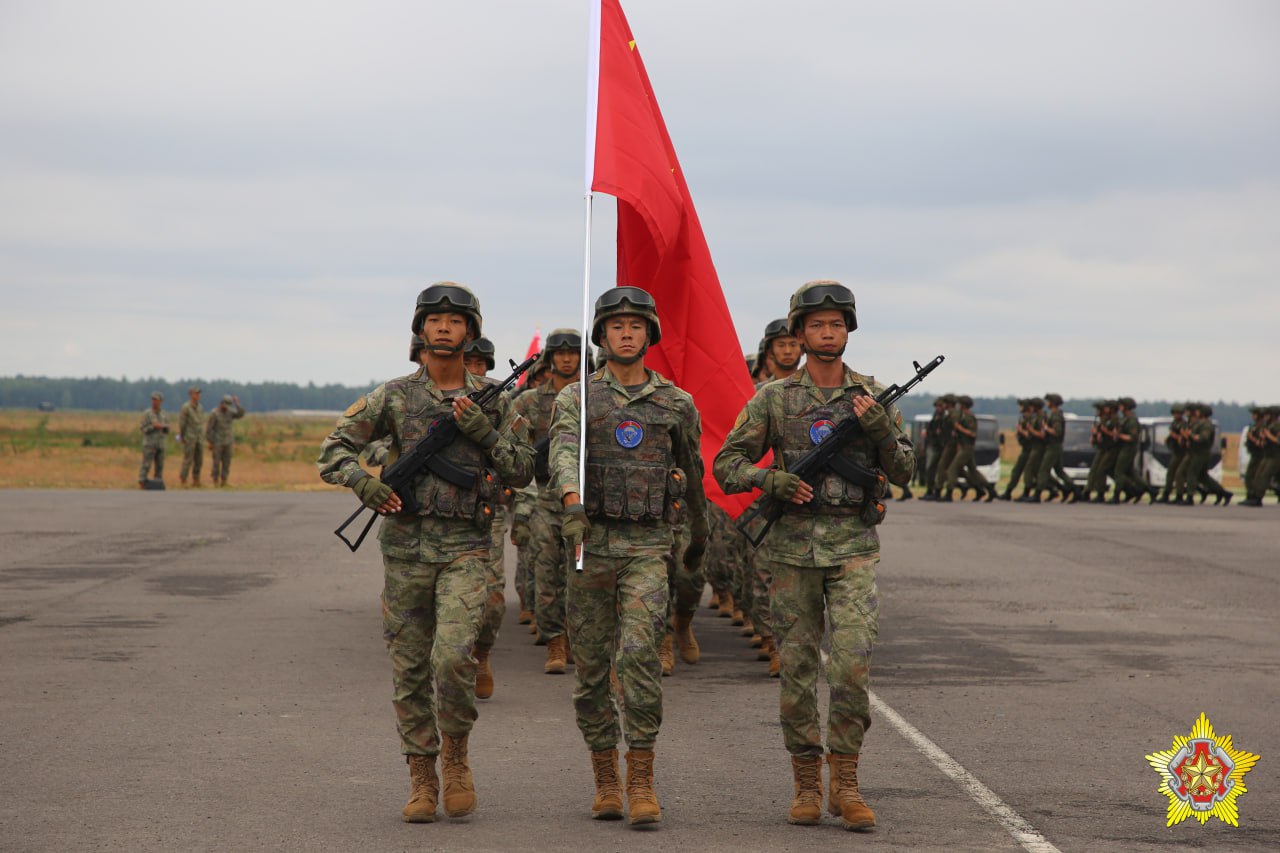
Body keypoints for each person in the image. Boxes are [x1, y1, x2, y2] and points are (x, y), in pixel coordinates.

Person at [316, 282, 533, 824]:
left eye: (454, 321)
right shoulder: (392, 397)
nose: (443, 327)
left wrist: (485, 434)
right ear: (420, 330)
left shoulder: (497, 399)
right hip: (407, 550)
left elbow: (525, 469)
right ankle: (421, 776)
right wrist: (363, 484)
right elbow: (333, 450)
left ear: (470, 333)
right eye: (434, 320)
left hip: (466, 547)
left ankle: (456, 758)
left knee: (454, 657)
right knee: (410, 667)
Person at [714, 280, 914, 831]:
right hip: (791, 554)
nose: (828, 333)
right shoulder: (774, 399)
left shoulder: (872, 397)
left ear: (849, 330)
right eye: (817, 325)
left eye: (837, 324)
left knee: (851, 666)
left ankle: (846, 782)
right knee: (798, 671)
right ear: (799, 334)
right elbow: (726, 466)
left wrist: (877, 427)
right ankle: (806, 781)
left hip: (852, 549)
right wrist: (771, 480)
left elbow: (904, 472)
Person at [549, 287, 708, 826]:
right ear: (601, 335)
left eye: (635, 325)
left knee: (639, 654)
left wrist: (699, 538)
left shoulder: (675, 404)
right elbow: (563, 451)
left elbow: (694, 474)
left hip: (646, 546)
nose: (625, 333)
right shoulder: (578, 398)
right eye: (615, 325)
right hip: (589, 545)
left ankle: (641, 776)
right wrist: (571, 501)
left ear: (649, 334)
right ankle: (605, 779)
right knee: (591, 670)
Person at [512, 329, 588, 675]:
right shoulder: (528, 402)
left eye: (573, 352)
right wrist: (522, 507)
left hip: (587, 501)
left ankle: (577, 638)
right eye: (560, 353)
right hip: (545, 497)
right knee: (546, 574)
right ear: (550, 358)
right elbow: (514, 455)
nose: (567, 358)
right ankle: (555, 640)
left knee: (583, 576)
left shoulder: (594, 398)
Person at [462, 336, 510, 700]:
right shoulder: (419, 395)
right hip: (434, 516)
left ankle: (482, 654)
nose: (475, 369)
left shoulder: (500, 401)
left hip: (486, 511)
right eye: (469, 362)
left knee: (492, 601)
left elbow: (521, 459)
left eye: (481, 363)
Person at [942, 396, 996, 502]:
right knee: (973, 471)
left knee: (953, 469)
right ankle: (988, 490)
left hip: (967, 447)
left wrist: (959, 428)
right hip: (964, 446)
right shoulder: (963, 415)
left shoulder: (969, 417)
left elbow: (972, 433)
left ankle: (949, 493)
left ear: (963, 405)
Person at [205, 394, 246, 487]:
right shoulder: (214, 414)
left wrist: (237, 404)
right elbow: (209, 429)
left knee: (227, 462)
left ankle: (224, 480)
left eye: (229, 405)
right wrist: (211, 442)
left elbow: (241, 414)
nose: (227, 407)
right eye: (225, 405)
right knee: (216, 462)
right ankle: (215, 480)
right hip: (217, 442)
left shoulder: (230, 412)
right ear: (221, 404)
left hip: (228, 441)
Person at [1157, 404, 1189, 503]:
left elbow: (1184, 435)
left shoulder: (1183, 423)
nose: (1176, 415)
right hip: (1176, 451)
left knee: (1178, 474)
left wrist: (1177, 436)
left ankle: (1179, 495)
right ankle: (1166, 494)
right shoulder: (1175, 423)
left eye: (1178, 413)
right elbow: (1172, 432)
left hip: (1181, 452)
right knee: (1170, 473)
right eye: (1174, 413)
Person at [138, 391, 169, 487]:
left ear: (161, 401)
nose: (154, 402)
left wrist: (163, 427)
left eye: (156, 400)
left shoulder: (164, 414)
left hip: (161, 443)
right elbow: (142, 428)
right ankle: (142, 481)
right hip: (150, 444)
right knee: (146, 464)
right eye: (153, 400)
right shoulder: (147, 414)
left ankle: (157, 482)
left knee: (160, 465)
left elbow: (167, 428)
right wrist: (153, 426)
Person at [177, 386, 205, 487]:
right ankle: (183, 479)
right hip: (189, 437)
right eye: (196, 393)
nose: (198, 395)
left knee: (199, 460)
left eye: (199, 394)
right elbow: (182, 423)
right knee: (188, 459)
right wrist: (182, 436)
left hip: (199, 438)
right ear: (191, 394)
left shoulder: (200, 407)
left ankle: (196, 480)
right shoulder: (186, 407)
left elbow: (201, 423)